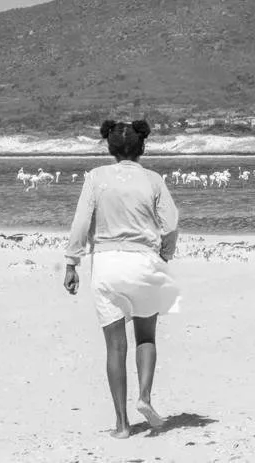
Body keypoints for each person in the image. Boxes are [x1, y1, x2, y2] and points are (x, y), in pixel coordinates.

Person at [64, 119, 182, 438]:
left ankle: (121, 424)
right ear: (142, 147)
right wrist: (165, 254)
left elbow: (80, 221)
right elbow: (170, 224)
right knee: (146, 337)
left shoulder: (96, 177)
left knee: (115, 347)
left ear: (110, 147)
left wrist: (72, 261)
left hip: (106, 264)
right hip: (144, 262)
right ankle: (144, 396)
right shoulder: (154, 179)